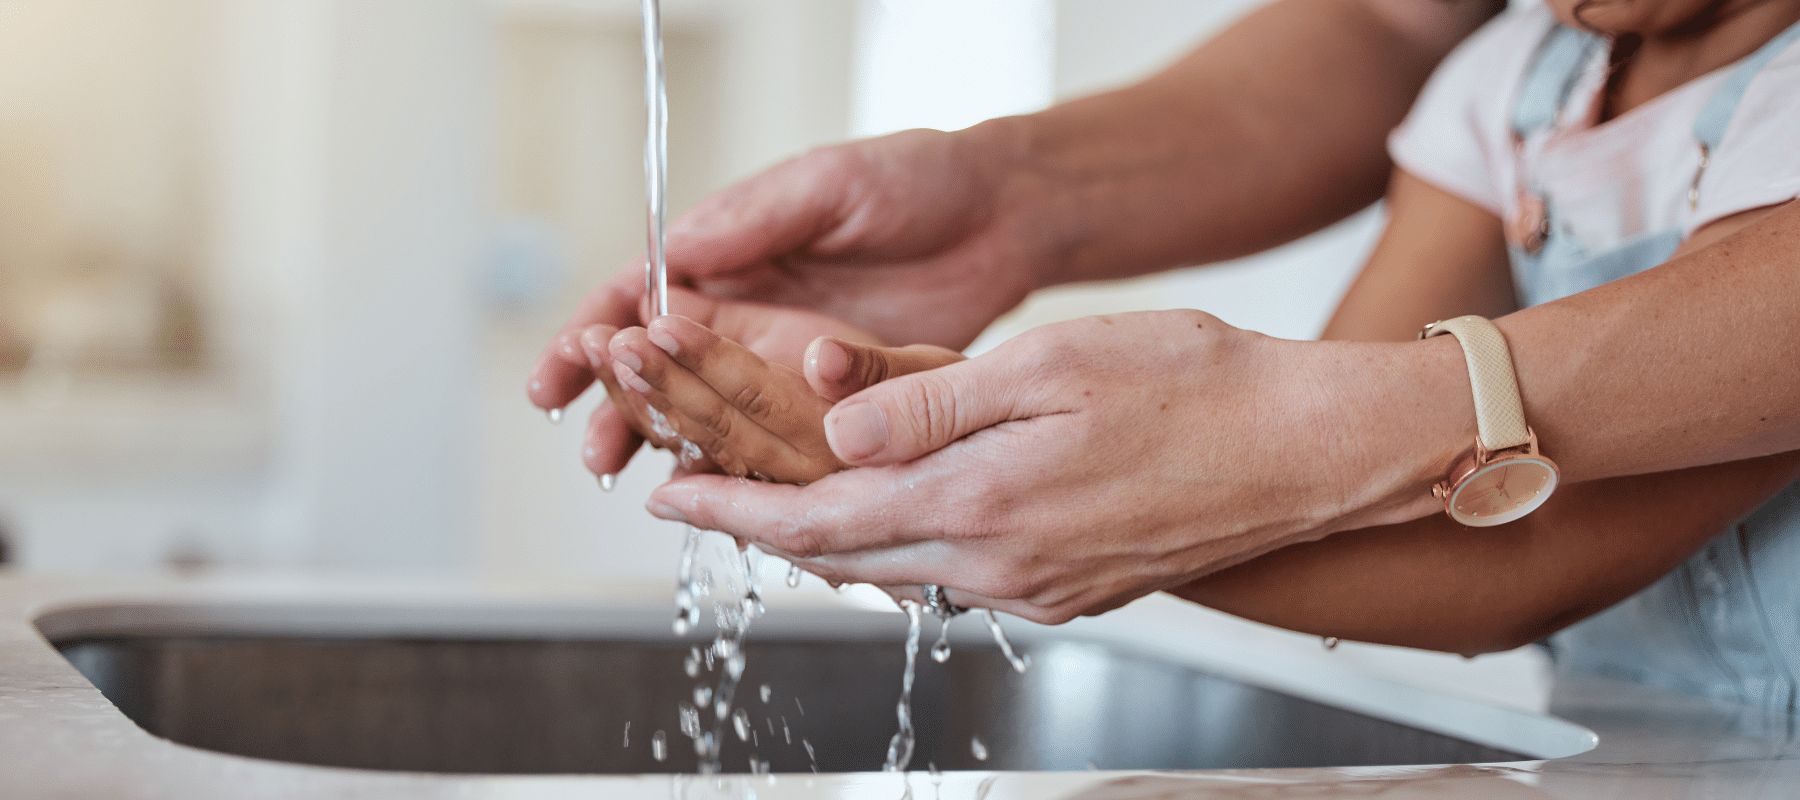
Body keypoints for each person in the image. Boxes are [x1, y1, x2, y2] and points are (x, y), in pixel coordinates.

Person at [531, 0, 1800, 706]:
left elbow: (1525, 554)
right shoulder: (1512, 82)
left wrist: (1056, 501)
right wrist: (941, 437)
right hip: (1630, 748)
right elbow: (1334, 508)